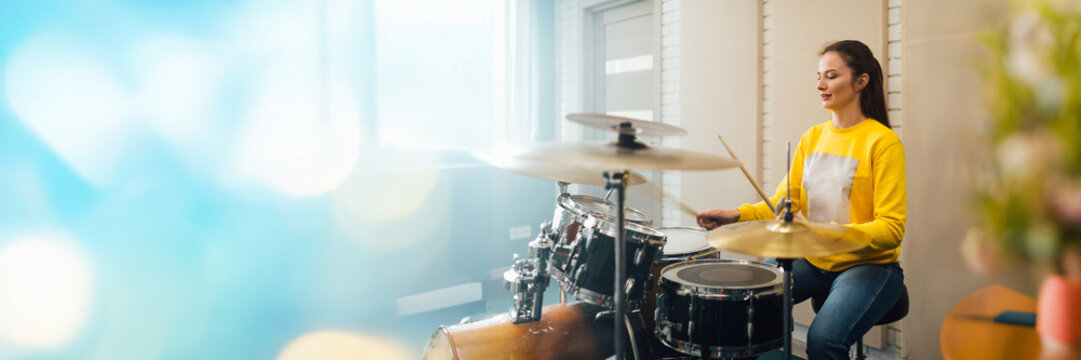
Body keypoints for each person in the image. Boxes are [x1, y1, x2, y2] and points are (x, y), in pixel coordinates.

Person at [697, 40, 906, 360]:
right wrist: (735, 215)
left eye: (832, 76)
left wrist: (830, 234)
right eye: (819, 76)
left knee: (823, 341)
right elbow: (782, 202)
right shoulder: (813, 137)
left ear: (861, 81)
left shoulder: (883, 141)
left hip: (870, 266)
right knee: (748, 300)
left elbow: (892, 229)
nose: (821, 85)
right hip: (813, 258)